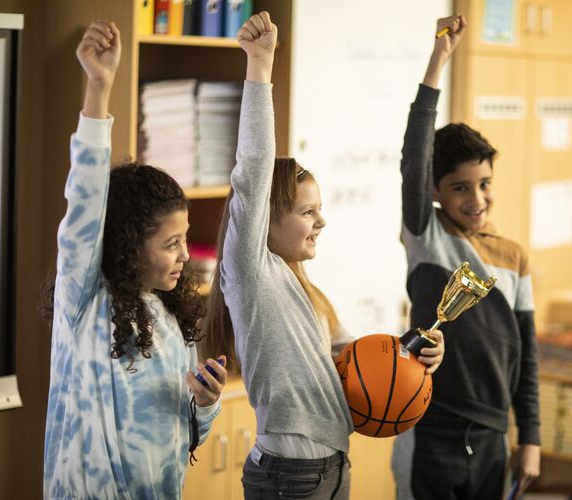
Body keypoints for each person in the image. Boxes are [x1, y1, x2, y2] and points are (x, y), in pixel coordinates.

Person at [198, 12, 444, 499]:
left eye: (320, 210)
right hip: (288, 477)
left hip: (331, 468)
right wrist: (260, 66)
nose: (321, 222)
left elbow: (351, 358)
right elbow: (252, 168)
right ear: (267, 216)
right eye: (307, 212)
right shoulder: (250, 274)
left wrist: (414, 353)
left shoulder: (306, 290)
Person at [42, 20, 227, 498]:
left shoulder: (170, 317)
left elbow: (186, 438)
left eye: (185, 240)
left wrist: (205, 404)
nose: (186, 255)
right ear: (127, 243)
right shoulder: (85, 301)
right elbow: (84, 197)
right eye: (171, 244)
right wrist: (99, 87)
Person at [391, 14, 541, 500]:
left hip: (494, 433)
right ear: (435, 191)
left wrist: (531, 438)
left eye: (484, 184)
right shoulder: (426, 235)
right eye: (460, 188)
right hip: (431, 426)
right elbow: (415, 155)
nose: (476, 199)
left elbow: (527, 356)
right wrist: (439, 61)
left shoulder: (513, 257)